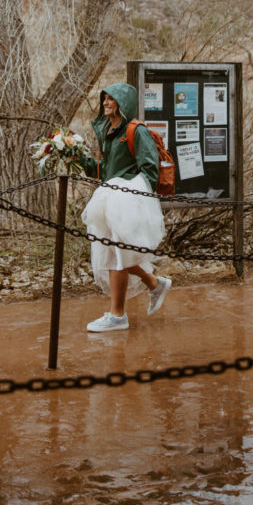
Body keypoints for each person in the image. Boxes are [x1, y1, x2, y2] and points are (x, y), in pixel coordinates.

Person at [81, 82, 171, 332]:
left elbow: (149, 168)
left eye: (111, 99)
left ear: (123, 102)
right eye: (104, 99)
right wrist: (75, 157)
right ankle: (153, 284)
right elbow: (103, 170)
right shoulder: (108, 132)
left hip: (127, 201)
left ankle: (118, 314)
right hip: (109, 199)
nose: (106, 103)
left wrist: (131, 195)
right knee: (112, 252)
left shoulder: (135, 130)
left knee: (117, 253)